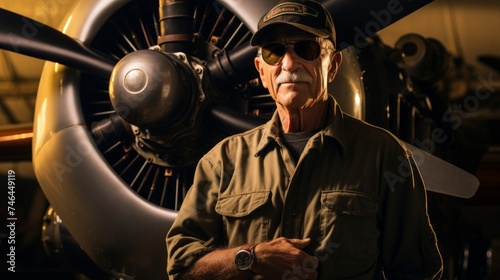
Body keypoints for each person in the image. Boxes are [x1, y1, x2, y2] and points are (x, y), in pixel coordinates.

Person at [166, 0, 443, 279]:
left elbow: (415, 272)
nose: (288, 63)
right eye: (274, 52)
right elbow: (182, 268)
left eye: (306, 49)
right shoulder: (221, 161)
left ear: (333, 65)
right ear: (261, 71)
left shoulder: (384, 155)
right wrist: (252, 257)